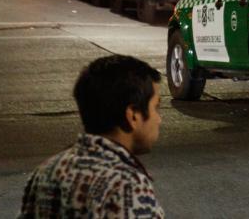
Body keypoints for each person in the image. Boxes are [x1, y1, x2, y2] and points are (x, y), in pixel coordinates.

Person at [19, 55, 164, 218]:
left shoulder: (47, 171)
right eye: (156, 107)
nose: (159, 119)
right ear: (133, 116)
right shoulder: (126, 185)